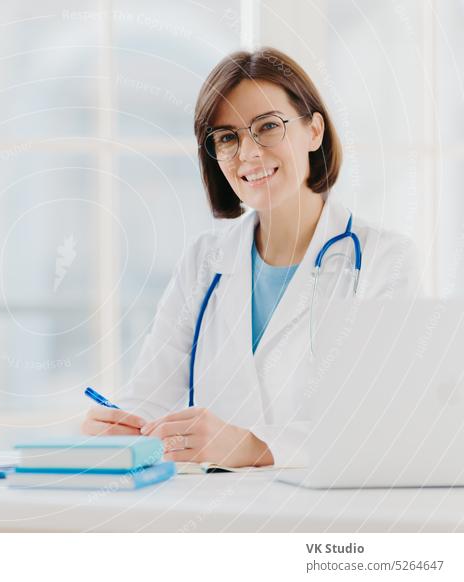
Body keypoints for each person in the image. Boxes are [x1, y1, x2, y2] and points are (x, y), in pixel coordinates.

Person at [80, 47, 420, 467]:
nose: (249, 154)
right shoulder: (204, 262)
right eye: (228, 138)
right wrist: (118, 428)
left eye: (268, 127)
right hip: (216, 516)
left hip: (325, 514)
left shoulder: (384, 260)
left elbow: (381, 420)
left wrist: (255, 447)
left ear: (314, 131)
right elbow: (151, 395)